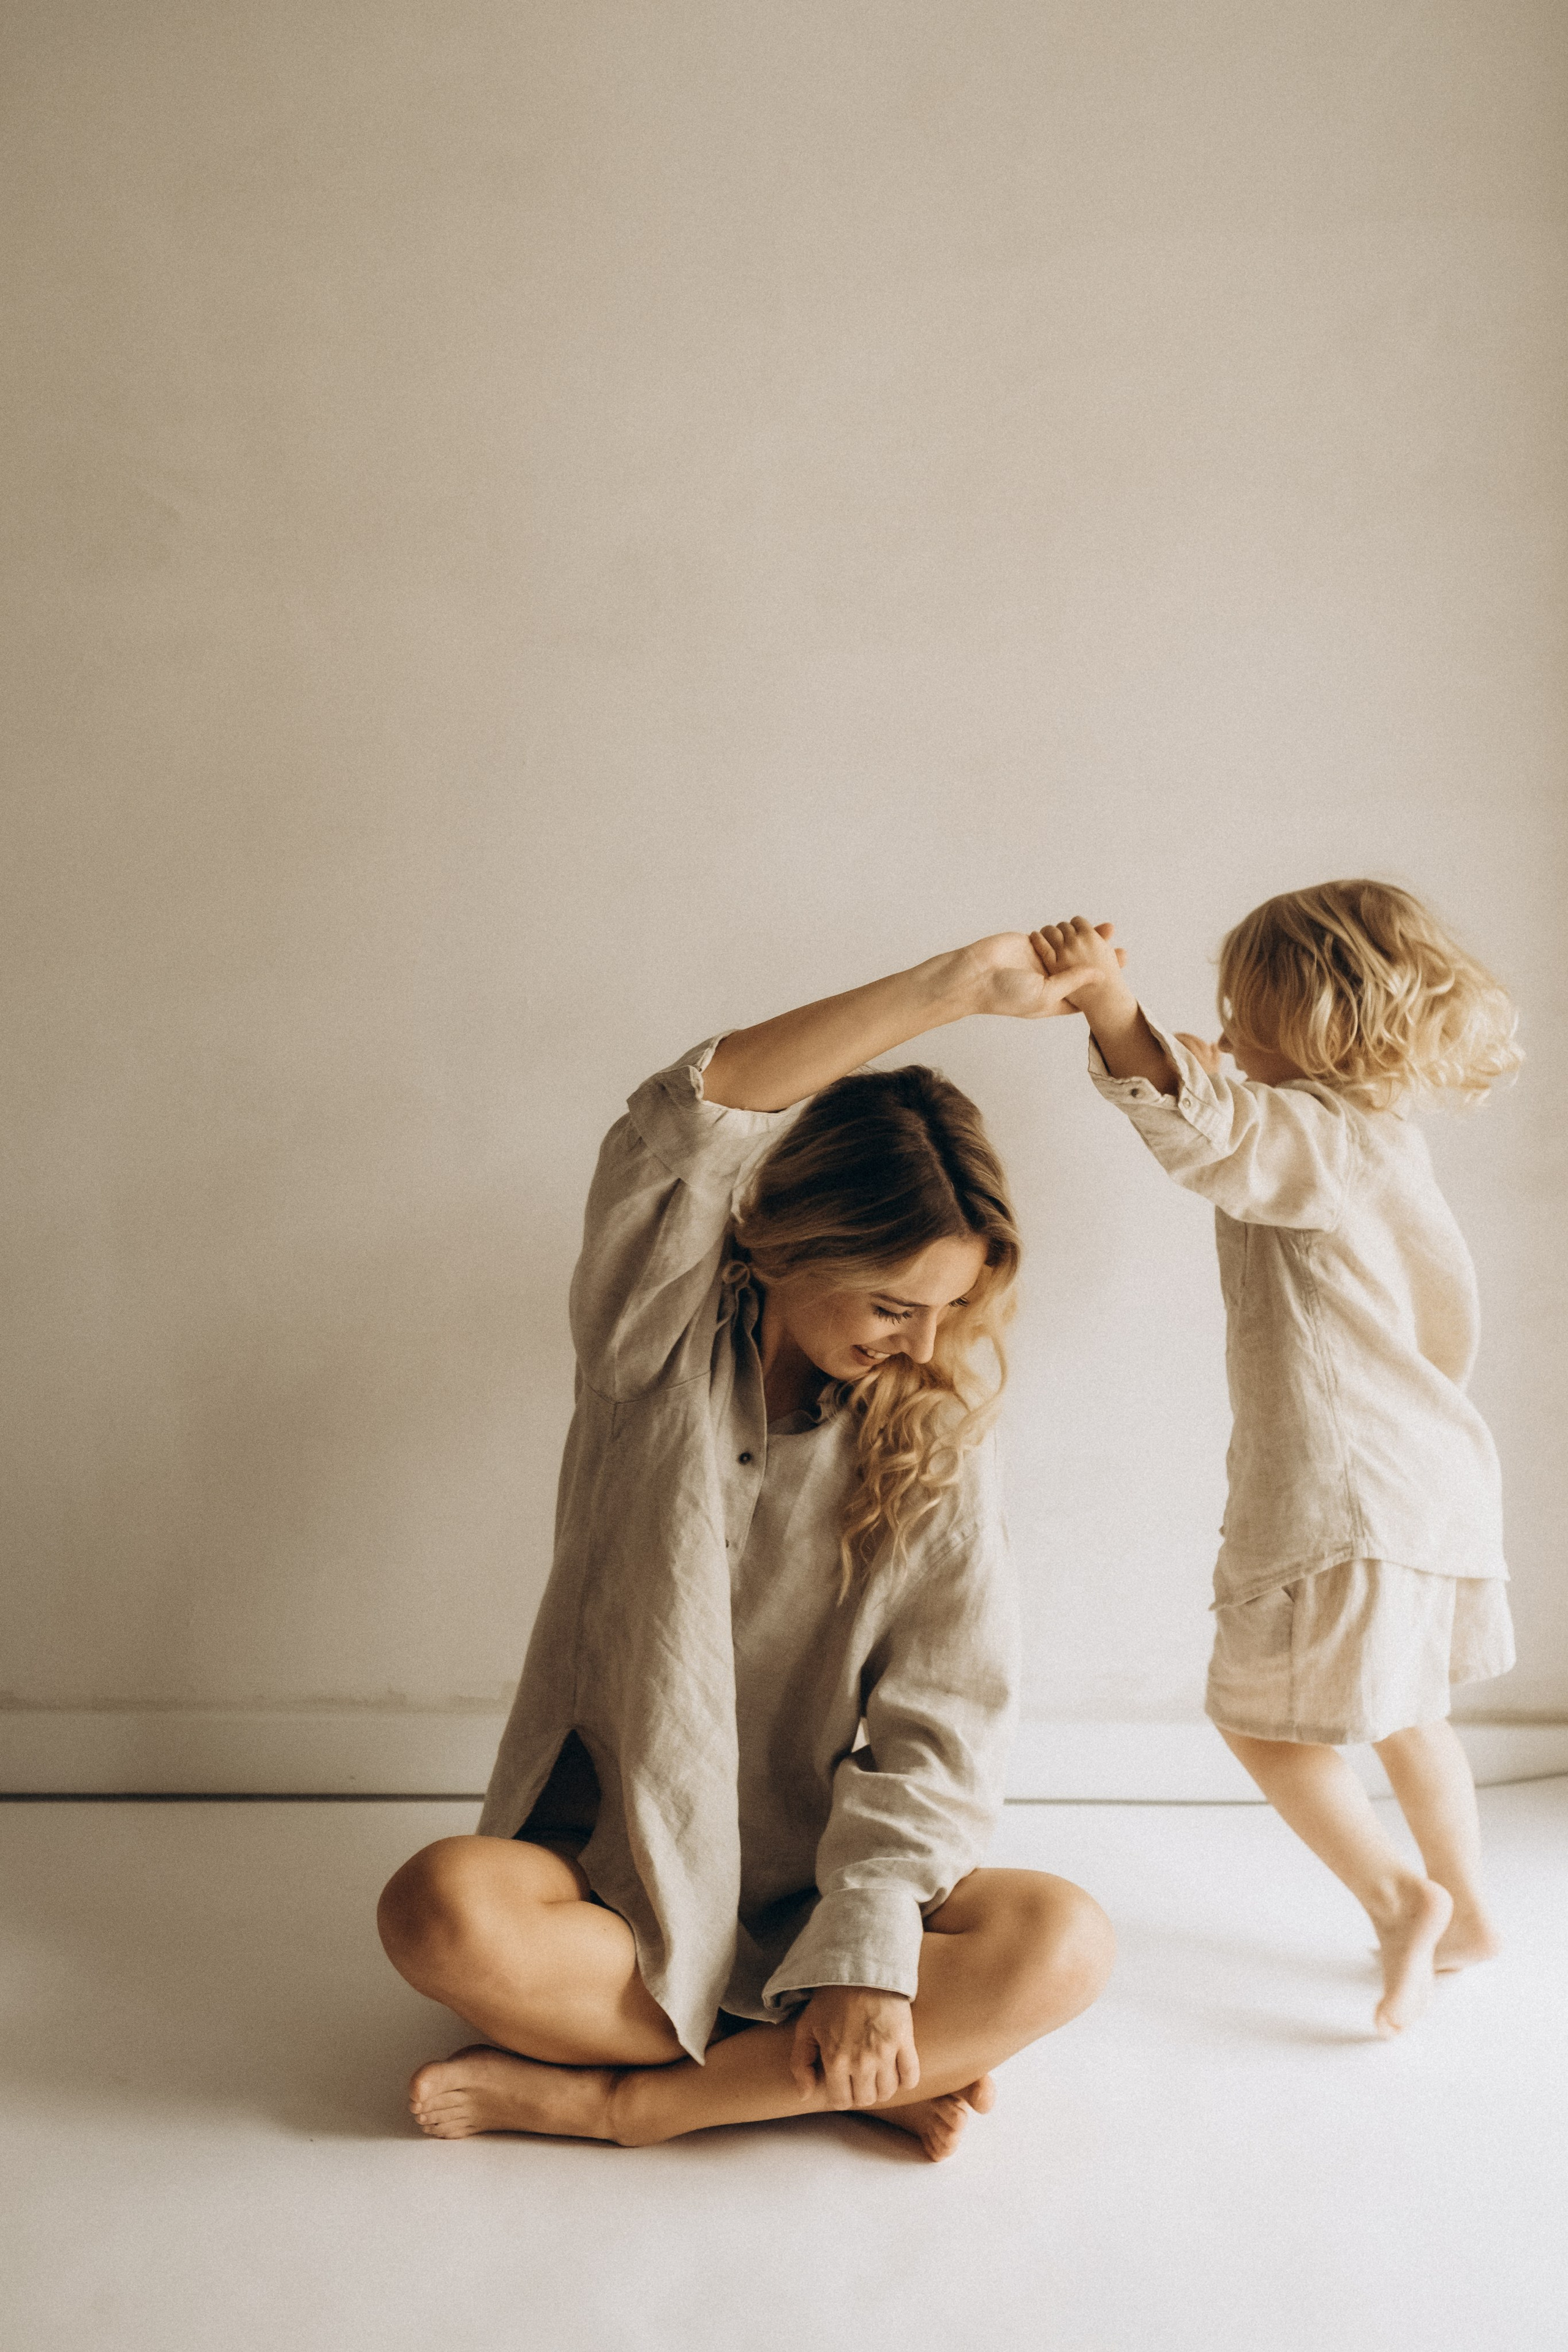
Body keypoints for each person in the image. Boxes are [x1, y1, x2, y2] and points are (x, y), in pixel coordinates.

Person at [377, 932, 1115, 2158]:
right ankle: (823, 2074)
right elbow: (686, 1119)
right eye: (892, 1305)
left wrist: (866, 1954)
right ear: (795, 1250)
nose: (923, 1347)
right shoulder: (650, 1343)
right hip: (615, 1885)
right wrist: (954, 991)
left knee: (1066, 1943)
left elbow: (942, 1723)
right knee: (439, 1909)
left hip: (820, 1890)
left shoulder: (935, 1438)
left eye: (949, 1310)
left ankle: (635, 2102)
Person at [1033, 883, 1522, 2037]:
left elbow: (1199, 1129)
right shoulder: (1377, 1140)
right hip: (1430, 1478)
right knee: (1412, 1713)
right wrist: (1222, 1080)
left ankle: (1401, 1900)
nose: (1225, 1030)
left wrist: (1110, 1004)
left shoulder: (1308, 1138)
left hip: (1342, 1492)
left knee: (1256, 1714)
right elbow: (1228, 1124)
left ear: (1309, 1022)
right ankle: (1468, 1912)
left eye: (1242, 1014)